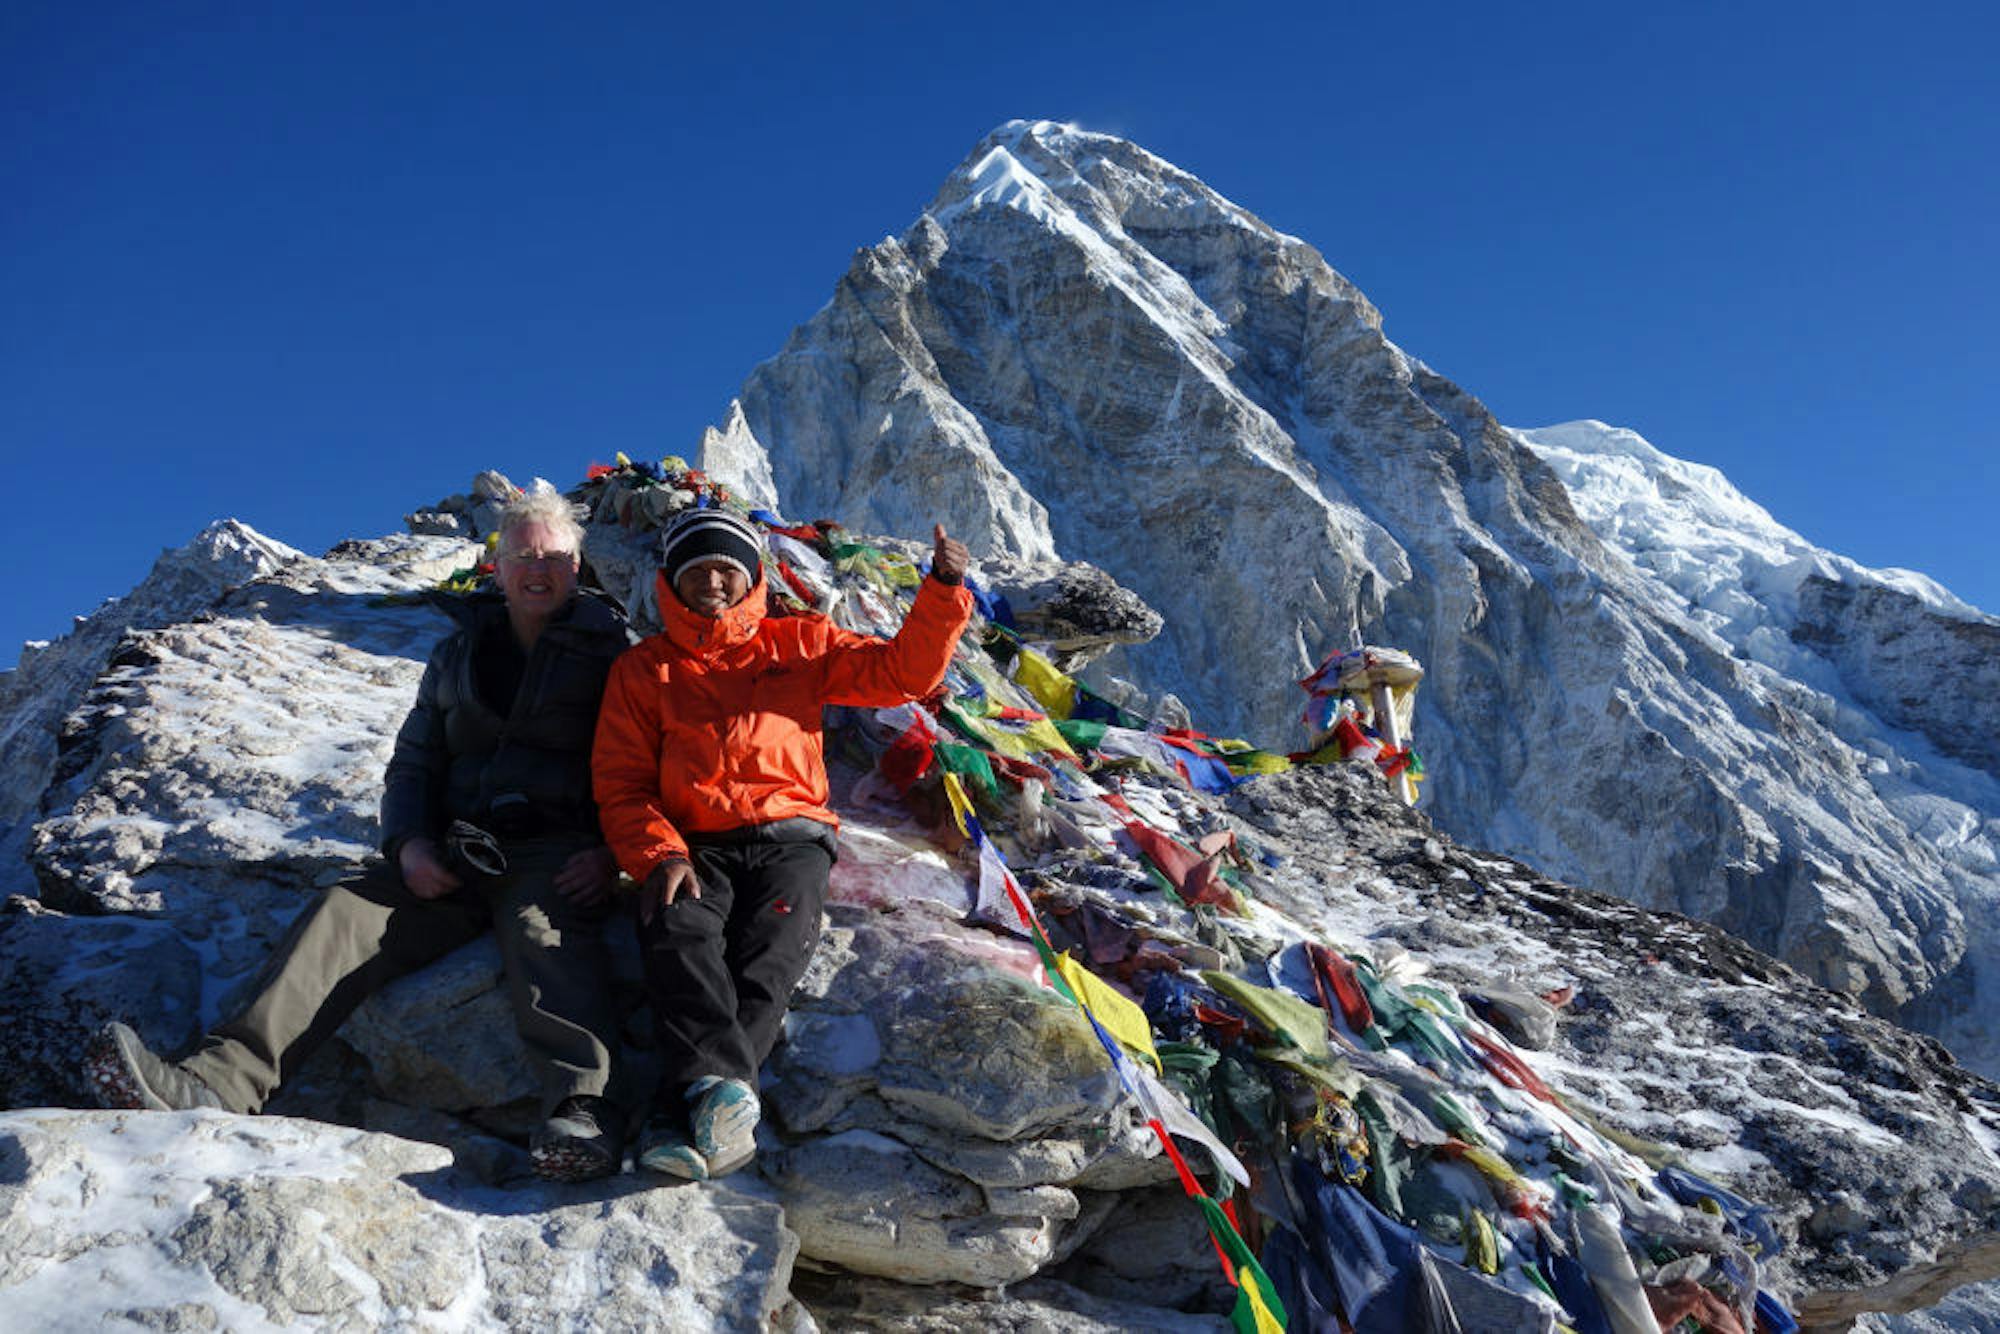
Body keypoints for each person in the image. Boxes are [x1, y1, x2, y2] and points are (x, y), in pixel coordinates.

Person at [87, 487, 634, 1182]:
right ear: (494, 566)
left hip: (557, 848)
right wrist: (409, 844)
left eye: (554, 556)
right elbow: (415, 761)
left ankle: (586, 1112)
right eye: (522, 554)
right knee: (347, 911)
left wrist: (613, 851)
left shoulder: (615, 653)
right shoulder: (459, 650)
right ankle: (221, 1084)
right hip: (457, 847)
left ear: (578, 565)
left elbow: (648, 760)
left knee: (543, 933)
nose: (538, 568)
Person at [592, 507, 972, 1179]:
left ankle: (669, 1120)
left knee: (767, 960)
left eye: (726, 569)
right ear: (671, 583)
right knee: (676, 931)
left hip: (791, 837)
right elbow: (621, 782)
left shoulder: (798, 643)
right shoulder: (642, 670)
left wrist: (940, 590)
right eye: (697, 570)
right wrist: (661, 854)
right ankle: (714, 1110)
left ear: (751, 579)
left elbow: (901, 675)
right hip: (696, 843)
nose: (712, 582)